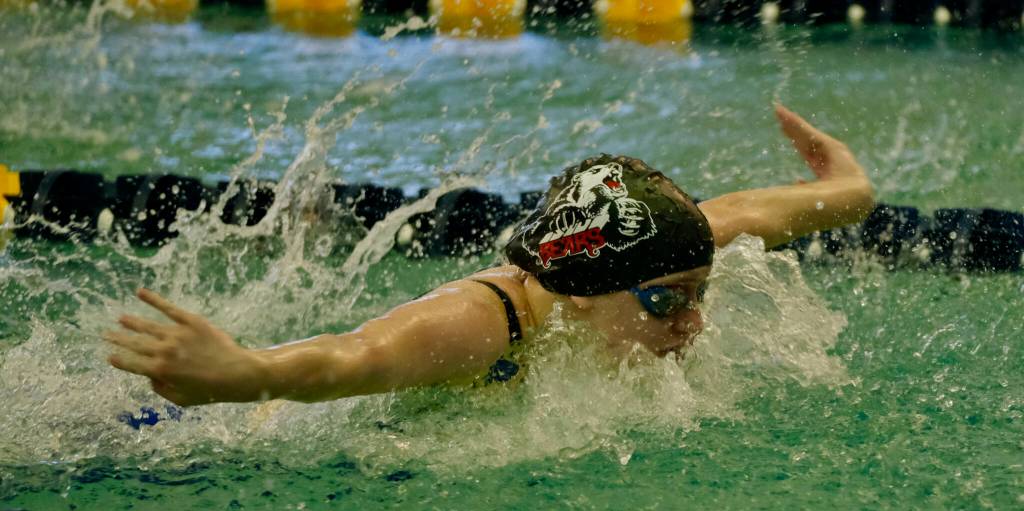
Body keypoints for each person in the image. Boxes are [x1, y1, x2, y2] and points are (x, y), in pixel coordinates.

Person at [104, 104, 875, 407]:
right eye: (668, 301)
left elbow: (755, 213)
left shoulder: (658, 247)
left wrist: (853, 186)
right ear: (581, 289)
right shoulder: (481, 324)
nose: (695, 324)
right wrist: (248, 373)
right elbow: (356, 357)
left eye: (697, 293)